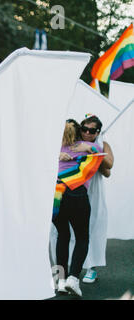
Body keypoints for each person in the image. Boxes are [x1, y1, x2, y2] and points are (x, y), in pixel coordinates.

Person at [54, 119, 103, 297]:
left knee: (62, 236)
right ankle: (73, 279)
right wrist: (85, 148)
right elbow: (99, 151)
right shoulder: (85, 145)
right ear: (78, 132)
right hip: (76, 194)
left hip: (56, 195)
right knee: (82, 238)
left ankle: (60, 280)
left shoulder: (53, 147)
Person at [69, 114, 114, 284]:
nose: (87, 133)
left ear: (98, 132)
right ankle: (71, 267)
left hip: (93, 190)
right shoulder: (73, 141)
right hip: (74, 188)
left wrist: (94, 149)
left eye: (92, 130)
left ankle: (92, 267)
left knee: (94, 227)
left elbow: (108, 167)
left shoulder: (102, 144)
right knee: (70, 230)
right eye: (85, 129)